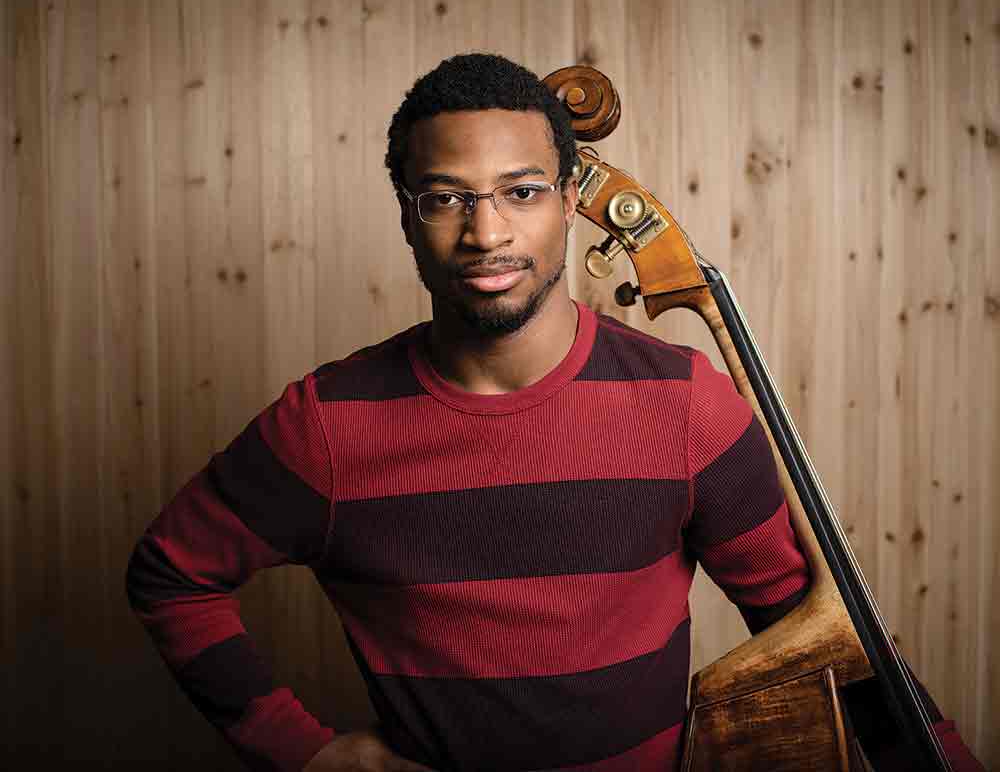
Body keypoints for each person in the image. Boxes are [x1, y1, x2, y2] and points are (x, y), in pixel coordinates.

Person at [127, 54, 982, 772]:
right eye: (445, 198)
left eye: (521, 192)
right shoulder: (327, 425)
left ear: (571, 199)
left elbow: (825, 638)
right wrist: (303, 752)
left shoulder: (683, 403)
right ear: (406, 214)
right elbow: (172, 573)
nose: (486, 232)